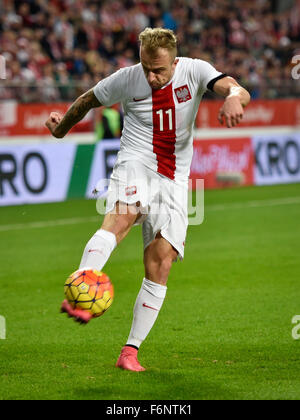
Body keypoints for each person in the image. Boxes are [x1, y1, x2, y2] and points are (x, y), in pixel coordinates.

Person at [45, 27, 250, 372]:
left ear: (174, 60)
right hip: (136, 161)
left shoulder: (195, 70)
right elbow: (85, 101)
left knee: (162, 261)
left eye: (159, 70)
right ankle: (82, 284)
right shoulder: (127, 78)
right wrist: (61, 129)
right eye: (146, 69)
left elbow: (235, 88)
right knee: (122, 217)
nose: (152, 77)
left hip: (174, 178)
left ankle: (130, 352)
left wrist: (233, 97)